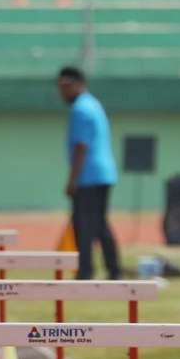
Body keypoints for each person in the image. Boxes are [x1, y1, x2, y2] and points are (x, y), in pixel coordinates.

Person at [56, 66, 120, 280]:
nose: (61, 92)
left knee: (83, 226)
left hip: (89, 176)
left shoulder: (80, 109)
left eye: (65, 86)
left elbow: (81, 147)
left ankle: (85, 271)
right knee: (99, 224)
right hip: (102, 173)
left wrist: (72, 179)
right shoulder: (93, 104)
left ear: (77, 84)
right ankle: (114, 269)